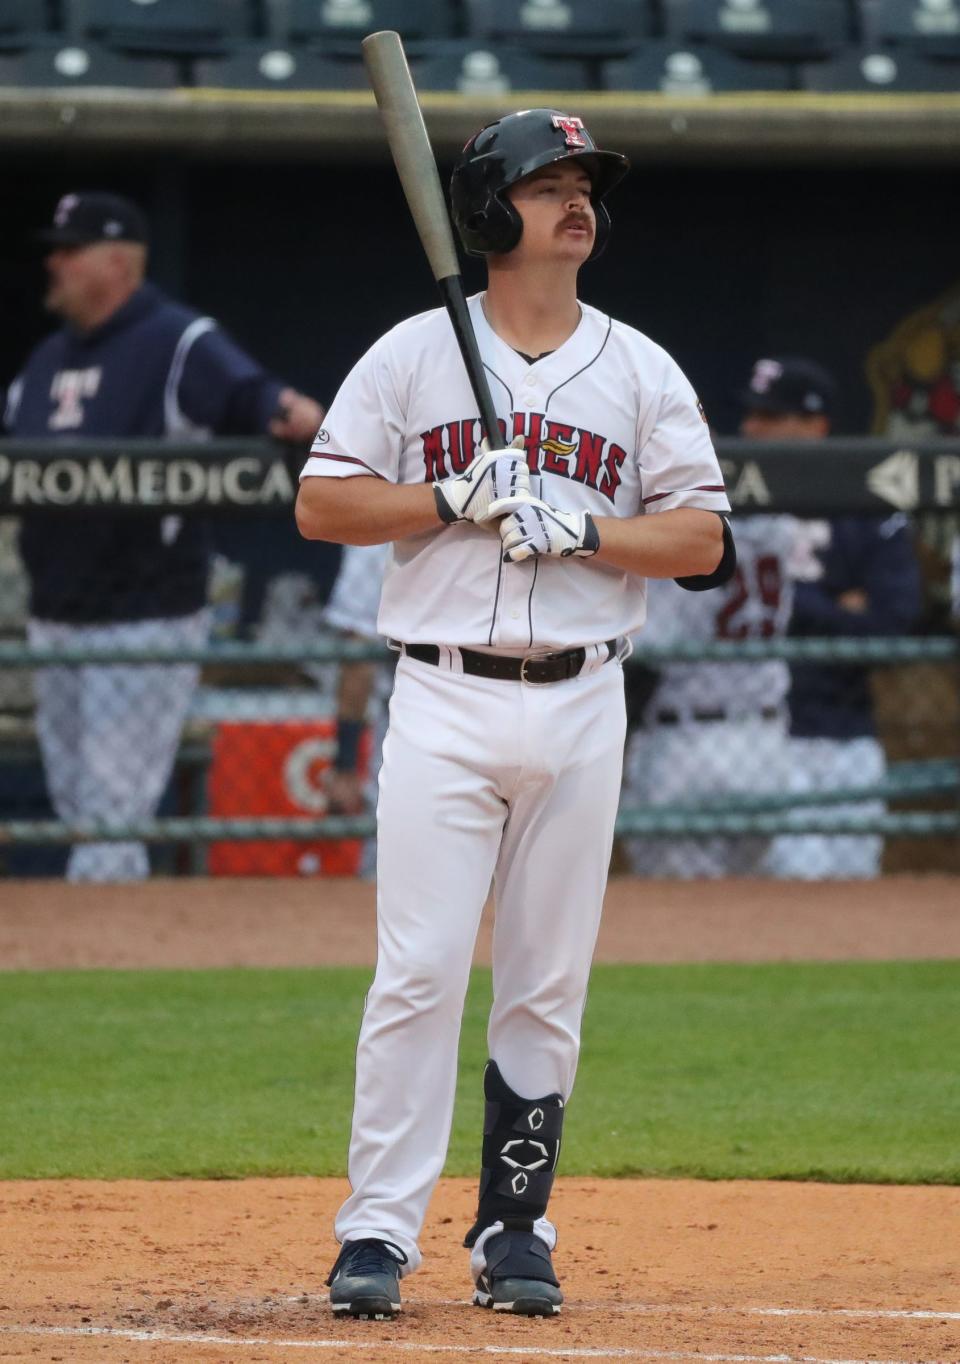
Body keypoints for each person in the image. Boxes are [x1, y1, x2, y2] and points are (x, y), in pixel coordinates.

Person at [296, 109, 734, 1320]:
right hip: (443, 691)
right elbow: (320, 506)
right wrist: (444, 494)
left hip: (588, 693)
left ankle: (516, 1223)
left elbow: (702, 537)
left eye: (586, 181)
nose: (577, 199)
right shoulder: (408, 356)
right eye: (548, 182)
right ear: (489, 212)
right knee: (421, 971)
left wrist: (587, 525)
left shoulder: (639, 366)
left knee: (546, 981)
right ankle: (378, 1231)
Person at [3, 191, 323, 882]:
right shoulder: (46, 359)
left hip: (146, 615)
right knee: (79, 806)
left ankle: (96, 965)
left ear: (118, 261)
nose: (53, 264)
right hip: (54, 616)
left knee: (113, 813)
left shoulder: (178, 340)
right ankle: (102, 954)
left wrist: (295, 415)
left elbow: (265, 401)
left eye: (70, 249)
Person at [739, 356, 923, 878]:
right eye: (752, 415)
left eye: (772, 418)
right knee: (782, 892)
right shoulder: (730, 505)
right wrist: (833, 602)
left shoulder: (866, 508)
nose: (752, 429)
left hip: (848, 734)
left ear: (816, 426)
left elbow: (893, 621)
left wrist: (790, 599)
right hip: (768, 735)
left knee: (850, 892)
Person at [622, 510, 798, 877]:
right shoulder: (777, 527)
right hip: (765, 744)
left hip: (684, 742)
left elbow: (649, 655)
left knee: (677, 906)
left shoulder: (678, 530)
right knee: (748, 897)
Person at [322, 541, 392, 876]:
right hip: (412, 715)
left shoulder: (385, 511)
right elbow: (358, 653)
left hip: (414, 730)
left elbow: (358, 656)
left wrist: (346, 764)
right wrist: (346, 762)